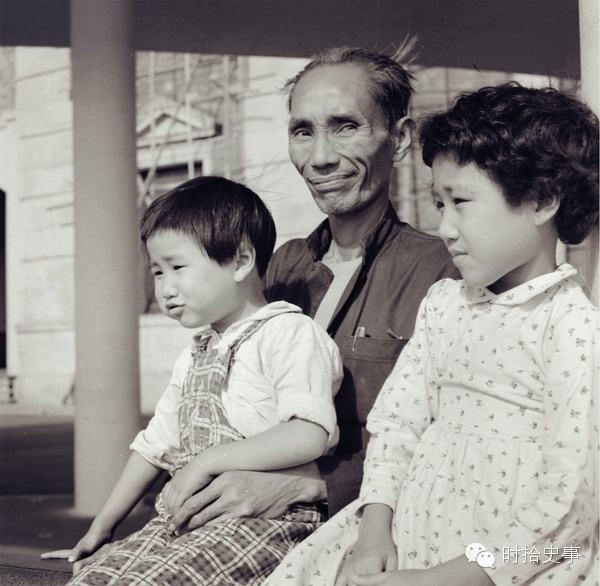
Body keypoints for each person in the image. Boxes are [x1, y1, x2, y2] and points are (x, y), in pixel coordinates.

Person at [261, 82, 599, 586]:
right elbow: (397, 423)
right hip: (406, 531)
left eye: (461, 201)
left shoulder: (574, 329)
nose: (446, 227)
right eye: (440, 205)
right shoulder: (444, 303)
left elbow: (570, 510)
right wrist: (374, 528)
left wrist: (443, 578)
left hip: (507, 562)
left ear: (542, 201)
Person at [168, 44, 459, 534]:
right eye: (303, 131)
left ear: (400, 138)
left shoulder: (443, 273)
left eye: (346, 126)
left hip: (377, 539)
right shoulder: (278, 269)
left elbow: (456, 442)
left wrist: (311, 484)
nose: (320, 158)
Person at [44, 176, 343, 585]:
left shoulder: (288, 332)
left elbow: (309, 434)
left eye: (177, 268)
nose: (165, 289)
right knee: (95, 577)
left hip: (264, 521)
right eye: (157, 272)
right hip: (189, 522)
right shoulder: (195, 355)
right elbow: (154, 447)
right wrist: (102, 528)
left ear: (240, 260)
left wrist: (206, 461)